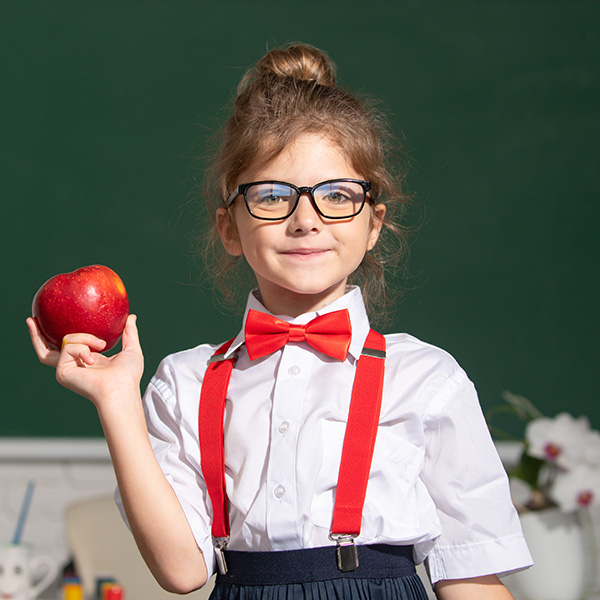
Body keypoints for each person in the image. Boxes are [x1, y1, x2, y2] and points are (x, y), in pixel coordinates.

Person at [27, 43, 532, 599]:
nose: (305, 221)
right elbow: (182, 571)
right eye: (271, 196)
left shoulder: (427, 379)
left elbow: (471, 578)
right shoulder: (184, 383)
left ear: (373, 224)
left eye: (338, 195)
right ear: (228, 228)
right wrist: (116, 398)